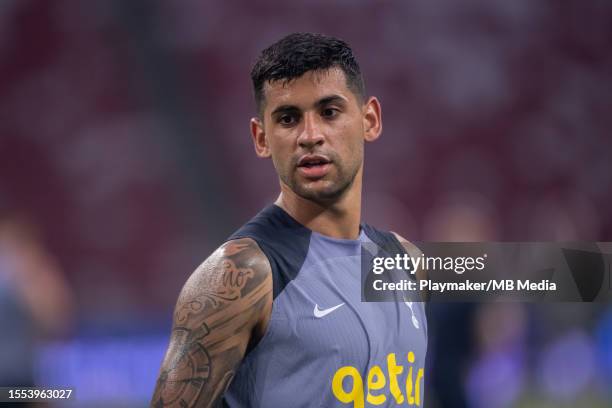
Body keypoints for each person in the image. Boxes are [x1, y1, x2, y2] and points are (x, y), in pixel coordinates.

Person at [151, 32, 427, 408]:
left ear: (370, 120)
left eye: (329, 112)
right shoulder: (241, 276)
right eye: (288, 118)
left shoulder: (405, 260)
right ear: (261, 138)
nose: (310, 136)